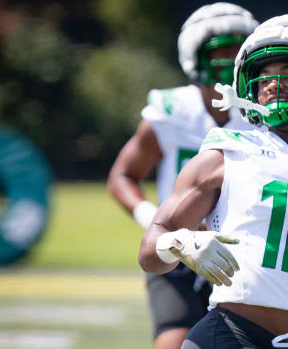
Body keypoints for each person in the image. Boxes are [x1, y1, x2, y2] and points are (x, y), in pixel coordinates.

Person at [138, 14, 288, 349]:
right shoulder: (227, 153)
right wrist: (182, 243)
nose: (272, 83)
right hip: (227, 335)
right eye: (265, 75)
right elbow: (150, 251)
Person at [107, 3, 258, 348]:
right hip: (180, 254)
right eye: (218, 51)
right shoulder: (173, 111)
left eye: (236, 50)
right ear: (194, 57)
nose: (228, 59)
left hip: (243, 254)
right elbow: (123, 175)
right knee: (172, 342)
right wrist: (156, 223)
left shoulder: (263, 115)